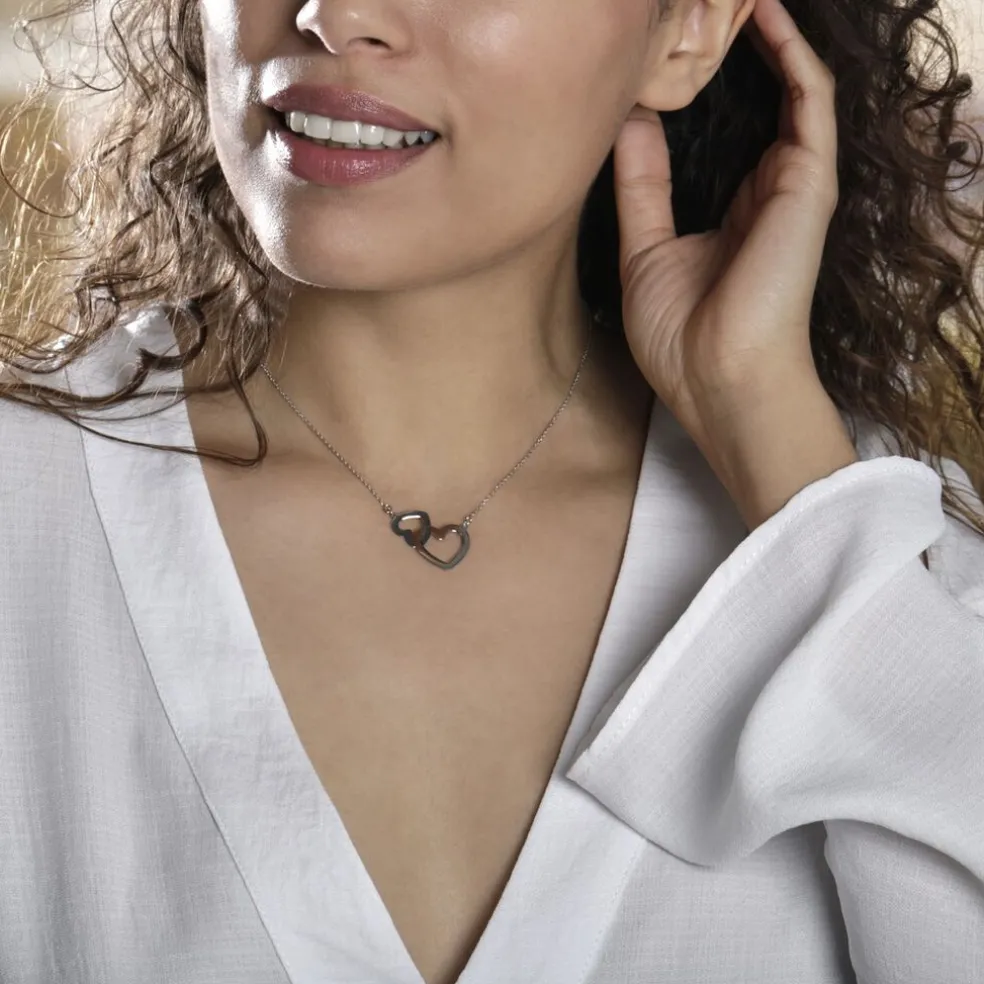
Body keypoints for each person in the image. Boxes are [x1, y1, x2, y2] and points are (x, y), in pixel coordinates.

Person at [1, 0, 983, 980]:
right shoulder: (24, 512)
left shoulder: (905, 575)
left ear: (687, 30)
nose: (334, 17)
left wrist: (773, 440)